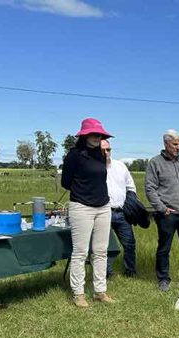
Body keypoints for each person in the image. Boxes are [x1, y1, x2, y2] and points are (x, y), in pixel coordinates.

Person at [61, 118, 115, 308]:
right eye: (92, 134)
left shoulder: (102, 154)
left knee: (101, 251)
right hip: (81, 207)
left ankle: (100, 291)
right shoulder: (74, 155)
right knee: (81, 252)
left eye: (98, 134)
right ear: (84, 136)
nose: (96, 136)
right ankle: (78, 293)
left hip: (103, 206)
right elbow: (65, 183)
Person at [145, 129, 179, 292]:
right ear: (165, 143)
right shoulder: (155, 163)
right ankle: (163, 279)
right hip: (167, 215)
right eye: (175, 144)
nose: (178, 148)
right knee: (164, 248)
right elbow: (150, 188)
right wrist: (162, 208)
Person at [101, 139, 137, 278]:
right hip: (104, 213)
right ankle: (106, 273)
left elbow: (131, 187)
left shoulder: (120, 166)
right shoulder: (95, 168)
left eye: (108, 149)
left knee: (129, 244)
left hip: (122, 213)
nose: (106, 152)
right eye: (103, 150)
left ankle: (130, 271)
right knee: (105, 246)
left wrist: (131, 204)